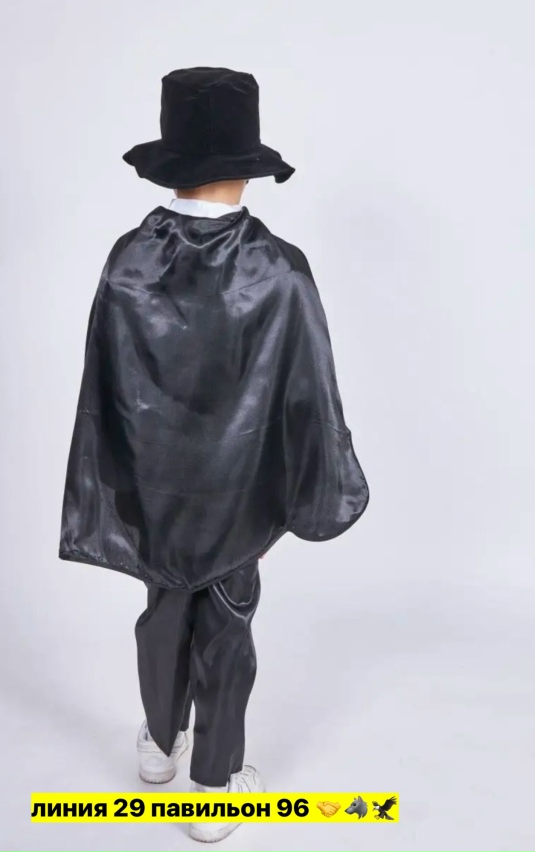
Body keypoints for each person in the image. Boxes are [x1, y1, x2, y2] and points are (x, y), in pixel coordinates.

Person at [59, 66, 369, 843]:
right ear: (246, 165)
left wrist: (119, 476)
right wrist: (313, 479)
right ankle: (214, 786)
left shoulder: (129, 258)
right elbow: (310, 389)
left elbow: (104, 383)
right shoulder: (280, 268)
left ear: (173, 159)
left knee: (163, 603)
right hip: (241, 491)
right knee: (227, 621)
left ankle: (160, 745)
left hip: (155, 485)